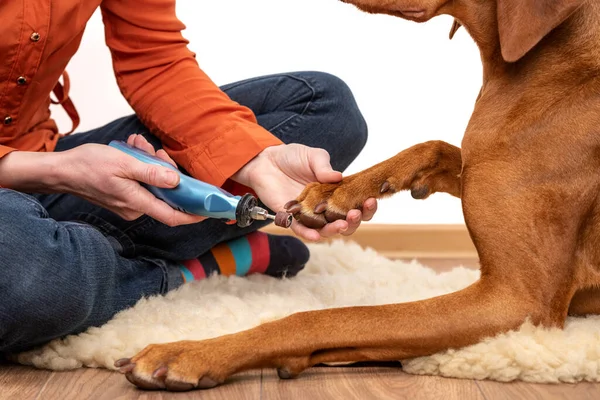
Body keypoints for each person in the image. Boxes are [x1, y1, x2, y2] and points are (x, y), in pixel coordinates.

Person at [0, 0, 377, 355]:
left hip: (39, 154)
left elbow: (153, 60)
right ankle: (187, 268)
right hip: (37, 175)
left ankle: (70, 254)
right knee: (31, 282)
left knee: (329, 109)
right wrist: (57, 172)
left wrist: (253, 159)